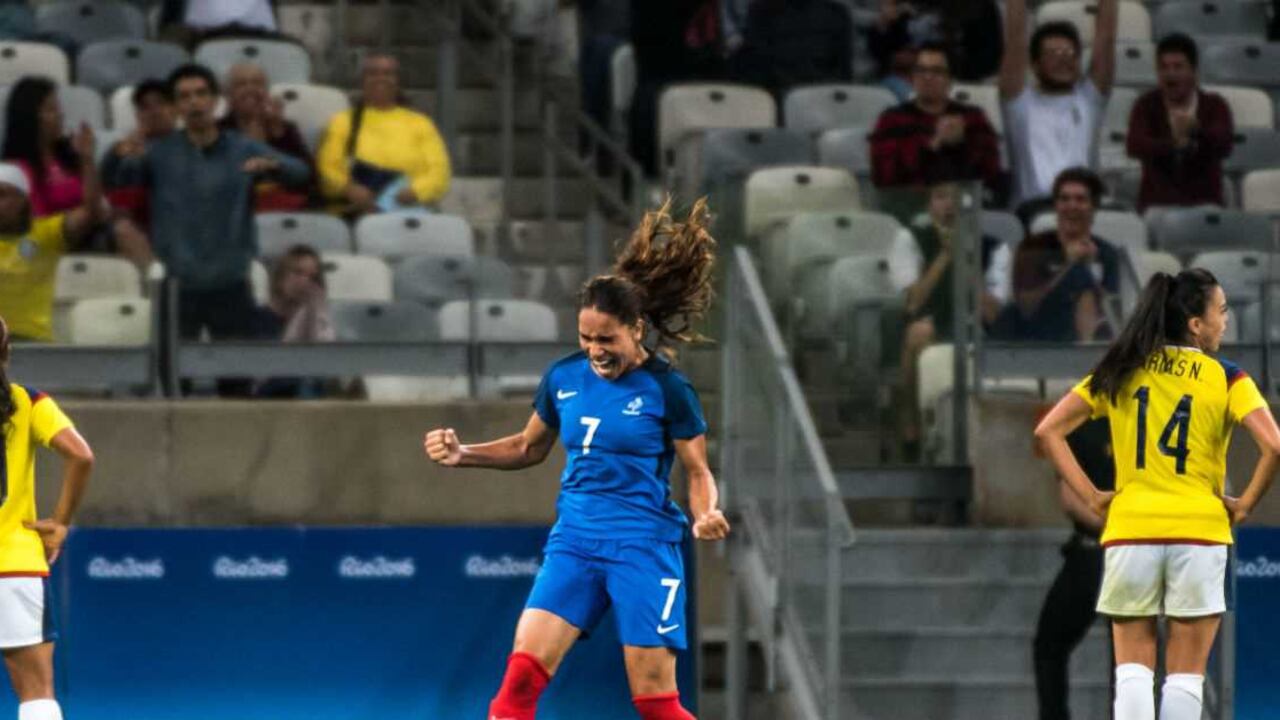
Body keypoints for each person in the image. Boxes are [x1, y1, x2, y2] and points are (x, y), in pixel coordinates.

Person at [423, 199, 730, 720]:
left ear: (636, 328)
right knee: (517, 683)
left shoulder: (668, 390)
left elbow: (696, 471)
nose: (594, 349)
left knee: (655, 702)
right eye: (585, 337)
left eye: (606, 338)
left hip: (643, 546)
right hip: (575, 542)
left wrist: (704, 515)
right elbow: (528, 447)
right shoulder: (563, 377)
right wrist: (463, 453)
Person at [1034, 268, 1280, 720]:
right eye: (1220, 311)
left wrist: (1091, 496)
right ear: (1195, 323)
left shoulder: (1121, 368)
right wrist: (1244, 503)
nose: (1225, 320)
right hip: (1200, 533)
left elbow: (1048, 431)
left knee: (1132, 671)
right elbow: (1274, 445)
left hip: (1131, 531)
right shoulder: (1227, 377)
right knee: (1185, 675)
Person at [104, 63, 310, 345]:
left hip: (232, 284)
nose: (194, 102)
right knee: (175, 381)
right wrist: (117, 154)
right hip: (177, 286)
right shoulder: (159, 153)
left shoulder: (242, 148)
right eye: (185, 97)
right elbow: (113, 180)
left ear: (215, 101)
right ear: (176, 107)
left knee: (236, 380)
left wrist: (273, 167)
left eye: (201, 94)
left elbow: (301, 172)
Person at [0, 315, 95, 720]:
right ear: (6, 351)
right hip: (15, 565)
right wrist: (59, 522)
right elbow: (81, 455)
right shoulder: (30, 402)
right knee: (36, 693)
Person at [889, 182, 1008, 458]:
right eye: (941, 196)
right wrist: (945, 255)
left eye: (959, 198)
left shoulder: (995, 248)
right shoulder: (909, 239)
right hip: (930, 322)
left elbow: (991, 313)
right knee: (918, 333)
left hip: (978, 328)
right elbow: (913, 303)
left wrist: (966, 261)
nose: (950, 205)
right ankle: (912, 421)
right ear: (929, 205)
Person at [1, 77, 151, 269]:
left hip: (89, 233)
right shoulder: (16, 170)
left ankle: (153, 290)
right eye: (51, 109)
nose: (60, 115)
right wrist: (90, 213)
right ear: (30, 116)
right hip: (46, 246)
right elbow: (37, 224)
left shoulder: (67, 156)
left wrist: (87, 159)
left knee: (126, 224)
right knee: (123, 232)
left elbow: (96, 202)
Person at [1000, 0, 1117, 216]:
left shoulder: (1089, 101)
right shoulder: (1019, 103)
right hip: (1033, 212)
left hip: (1084, 210)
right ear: (1034, 65)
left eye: (1069, 53)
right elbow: (1015, 39)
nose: (1063, 59)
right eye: (1053, 53)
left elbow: (1106, 38)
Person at [1033, 417, 1114, 720]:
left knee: (1050, 646)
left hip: (1092, 555)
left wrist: (1108, 525)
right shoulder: (1149, 429)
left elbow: (1069, 500)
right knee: (1131, 665)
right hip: (1135, 556)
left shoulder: (1079, 429)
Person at [317, 55, 451, 216]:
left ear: (398, 81)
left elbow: (439, 172)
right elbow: (327, 166)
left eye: (388, 73)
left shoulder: (421, 123)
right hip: (357, 211)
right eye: (373, 73)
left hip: (410, 209)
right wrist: (349, 188)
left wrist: (416, 191)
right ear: (362, 80)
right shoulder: (342, 121)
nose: (380, 78)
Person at [0, 147, 105, 342]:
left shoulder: (46, 234)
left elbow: (92, 212)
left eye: (2, 195)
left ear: (22, 200)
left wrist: (88, 160)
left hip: (31, 342)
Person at [1005, 167, 1122, 342]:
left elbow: (1113, 314)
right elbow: (1025, 307)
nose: (1072, 206)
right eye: (1064, 199)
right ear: (1056, 206)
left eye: (1080, 199)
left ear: (1093, 207)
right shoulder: (1033, 247)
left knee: (1082, 275)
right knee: (1078, 272)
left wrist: (1090, 270)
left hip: (1092, 340)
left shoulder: (1107, 253)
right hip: (1037, 340)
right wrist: (1068, 265)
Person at [869, 42, 1001, 191]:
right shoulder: (892, 119)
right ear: (912, 77)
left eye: (937, 71)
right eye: (921, 70)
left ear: (950, 79)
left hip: (962, 203)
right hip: (908, 204)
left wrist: (962, 143)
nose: (927, 77)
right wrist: (933, 144)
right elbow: (884, 177)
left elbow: (991, 174)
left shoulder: (971, 117)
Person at [1126, 33, 1234, 214]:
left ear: (1194, 72)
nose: (1171, 74)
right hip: (1157, 206)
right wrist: (1173, 145)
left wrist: (1195, 131)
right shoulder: (1145, 105)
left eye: (1178, 67)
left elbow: (1224, 145)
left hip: (1204, 205)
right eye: (1164, 67)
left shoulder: (1214, 105)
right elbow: (1134, 145)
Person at [219, 63, 316, 211]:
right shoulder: (217, 130)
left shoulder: (284, 128)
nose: (250, 89)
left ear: (267, 91)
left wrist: (278, 133)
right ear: (228, 95)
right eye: (241, 84)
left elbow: (309, 180)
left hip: (284, 211)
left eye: (257, 83)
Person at [869, 0, 1002, 96]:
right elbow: (881, 52)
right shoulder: (904, 5)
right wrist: (883, 24)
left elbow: (988, 60)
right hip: (899, 81)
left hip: (955, 83)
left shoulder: (981, 7)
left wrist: (928, 63)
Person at [728, 0, 853, 101]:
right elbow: (757, 68)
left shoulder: (837, 14)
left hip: (824, 99)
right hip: (778, 100)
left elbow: (844, 72)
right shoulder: (760, 13)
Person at [252, 245, 334, 398]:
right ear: (280, 277)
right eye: (298, 273)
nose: (305, 282)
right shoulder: (257, 317)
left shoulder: (315, 314)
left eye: (312, 278)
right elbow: (266, 370)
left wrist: (315, 310)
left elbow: (324, 356)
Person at [104, 80, 178, 234]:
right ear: (137, 115)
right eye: (145, 107)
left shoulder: (188, 144)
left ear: (174, 109)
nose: (154, 111)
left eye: (160, 103)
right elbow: (102, 187)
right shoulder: (120, 150)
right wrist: (117, 156)